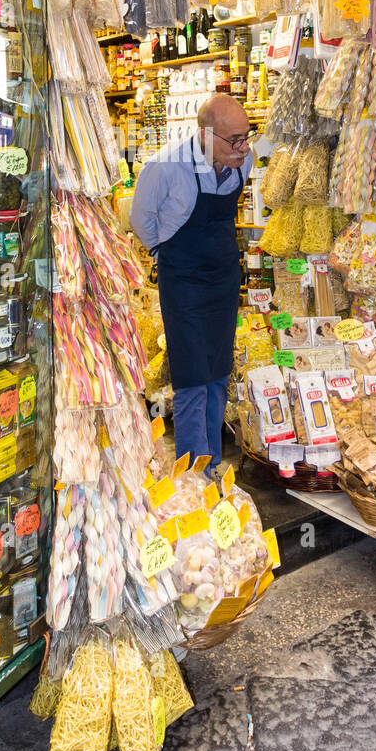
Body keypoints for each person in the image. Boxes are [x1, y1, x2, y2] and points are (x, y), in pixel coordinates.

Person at [129, 94, 253, 471]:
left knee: (217, 372)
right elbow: (140, 220)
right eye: (234, 140)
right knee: (190, 377)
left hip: (223, 280)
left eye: (247, 136)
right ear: (205, 134)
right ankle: (190, 471)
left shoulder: (242, 160)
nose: (244, 148)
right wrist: (167, 254)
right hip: (183, 282)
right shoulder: (165, 168)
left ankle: (212, 463)